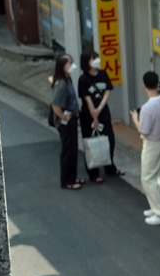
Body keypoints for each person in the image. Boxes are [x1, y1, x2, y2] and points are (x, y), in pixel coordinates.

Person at [131, 71, 160, 226]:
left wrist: (135, 119)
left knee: (147, 178)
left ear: (144, 85)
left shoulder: (147, 108)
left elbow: (143, 131)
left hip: (152, 144)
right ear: (158, 84)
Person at [77, 51, 123, 183]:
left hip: (103, 112)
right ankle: (93, 173)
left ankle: (110, 167)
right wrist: (94, 115)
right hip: (88, 115)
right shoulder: (83, 79)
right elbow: (87, 99)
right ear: (87, 62)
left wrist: (100, 108)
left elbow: (107, 91)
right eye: (93, 59)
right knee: (91, 142)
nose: (97, 61)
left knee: (110, 139)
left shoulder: (103, 74)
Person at [50, 55, 82, 190]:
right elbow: (55, 105)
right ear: (62, 66)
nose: (72, 65)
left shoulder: (67, 79)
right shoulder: (62, 83)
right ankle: (67, 180)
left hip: (72, 118)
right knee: (68, 150)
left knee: (73, 149)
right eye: (69, 63)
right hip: (66, 122)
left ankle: (72, 177)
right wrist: (63, 117)